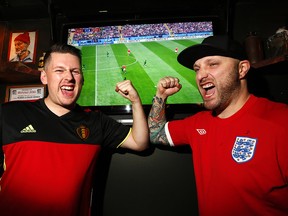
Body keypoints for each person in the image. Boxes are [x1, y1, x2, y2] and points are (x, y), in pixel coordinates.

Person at [0, 43, 149, 216]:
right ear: (44, 77)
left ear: (82, 79)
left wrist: (135, 101)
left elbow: (140, 142)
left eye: (75, 71)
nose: (69, 77)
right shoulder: (10, 113)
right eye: (59, 70)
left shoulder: (96, 121)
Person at [148, 35, 288, 215]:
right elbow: (155, 133)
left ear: (242, 69)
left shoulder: (281, 121)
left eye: (212, 64)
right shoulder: (198, 123)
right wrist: (161, 96)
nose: (200, 75)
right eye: (197, 68)